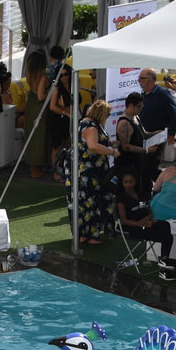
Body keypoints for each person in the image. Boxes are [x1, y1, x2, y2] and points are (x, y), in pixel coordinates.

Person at [68, 99, 119, 246]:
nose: (108, 117)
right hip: (90, 171)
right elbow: (93, 146)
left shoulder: (86, 123)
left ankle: (84, 234)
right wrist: (112, 152)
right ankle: (90, 235)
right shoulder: (91, 127)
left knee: (86, 203)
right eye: (107, 114)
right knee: (92, 202)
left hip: (86, 169)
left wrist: (109, 143)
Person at [116, 172, 175, 277]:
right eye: (125, 182)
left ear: (135, 182)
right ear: (122, 183)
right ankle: (164, 266)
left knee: (165, 225)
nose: (128, 184)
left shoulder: (141, 194)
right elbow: (123, 220)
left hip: (145, 223)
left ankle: (164, 262)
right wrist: (140, 223)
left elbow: (149, 210)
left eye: (130, 182)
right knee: (166, 237)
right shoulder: (121, 197)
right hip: (132, 227)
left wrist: (149, 219)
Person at [137, 68, 176, 187]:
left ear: (149, 80)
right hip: (144, 136)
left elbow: (175, 114)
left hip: (157, 137)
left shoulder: (162, 93)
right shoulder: (143, 95)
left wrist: (171, 134)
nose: (138, 81)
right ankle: (147, 191)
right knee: (143, 166)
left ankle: (166, 187)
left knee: (151, 165)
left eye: (141, 79)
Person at [22, 51, 50, 180]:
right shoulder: (43, 76)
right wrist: (51, 93)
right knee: (39, 136)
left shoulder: (30, 75)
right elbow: (40, 96)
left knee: (31, 135)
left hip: (31, 106)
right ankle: (35, 168)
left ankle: (34, 167)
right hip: (39, 107)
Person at [115, 92, 148, 196]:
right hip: (127, 164)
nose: (141, 109)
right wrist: (146, 150)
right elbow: (126, 146)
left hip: (137, 162)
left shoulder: (136, 117)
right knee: (127, 192)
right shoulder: (124, 123)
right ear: (130, 105)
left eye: (142, 107)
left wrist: (159, 134)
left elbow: (144, 134)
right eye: (138, 107)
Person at [47, 66, 74, 179]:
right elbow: (52, 107)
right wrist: (65, 113)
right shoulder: (56, 88)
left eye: (66, 74)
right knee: (57, 146)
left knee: (69, 144)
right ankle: (56, 173)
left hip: (70, 119)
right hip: (58, 120)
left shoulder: (73, 85)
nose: (64, 77)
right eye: (61, 75)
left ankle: (65, 169)